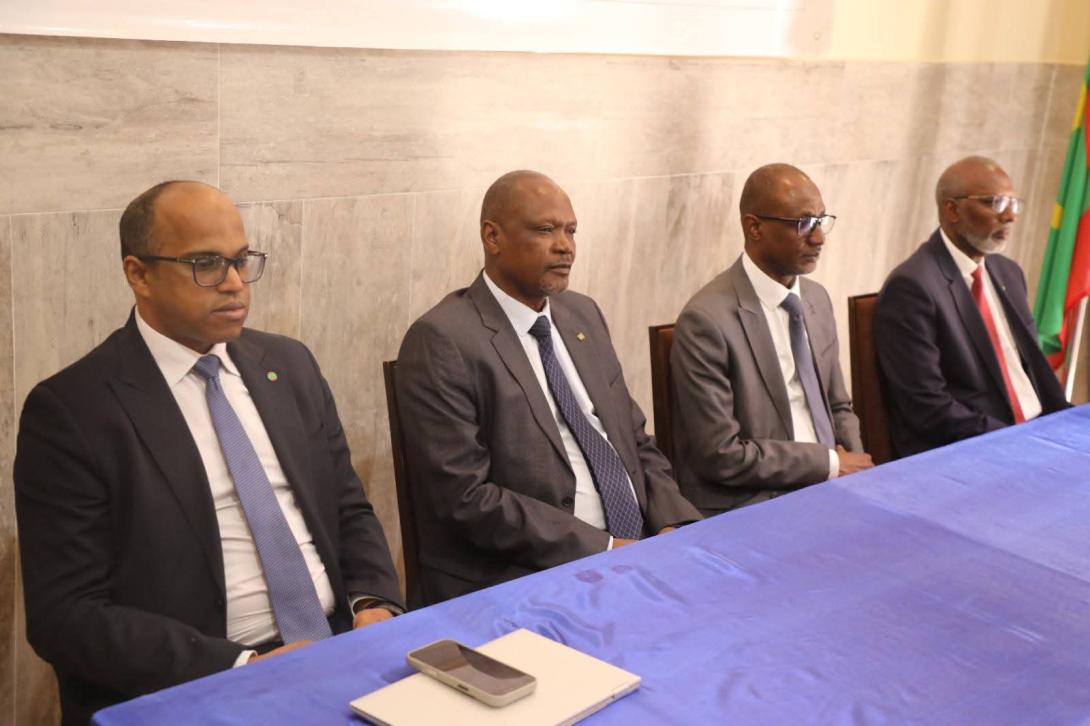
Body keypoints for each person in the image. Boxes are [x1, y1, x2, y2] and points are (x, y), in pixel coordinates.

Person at [14, 181, 402, 725]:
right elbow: (66, 616)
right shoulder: (74, 410)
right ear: (139, 274)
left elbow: (347, 507)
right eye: (206, 264)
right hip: (205, 681)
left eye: (241, 261)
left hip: (339, 647)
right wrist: (241, 667)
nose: (235, 283)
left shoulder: (288, 365)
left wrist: (374, 604)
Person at [395, 170, 701, 606]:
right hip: (526, 576)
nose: (565, 246)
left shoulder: (582, 315)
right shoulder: (443, 339)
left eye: (571, 231)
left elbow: (633, 440)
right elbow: (465, 497)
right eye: (545, 230)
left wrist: (673, 526)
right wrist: (606, 550)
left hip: (638, 552)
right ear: (492, 237)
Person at [670, 163, 871, 516]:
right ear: (755, 227)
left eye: (821, 221)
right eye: (803, 223)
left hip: (835, 485)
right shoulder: (706, 321)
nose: (819, 238)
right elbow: (721, 454)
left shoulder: (816, 299)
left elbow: (839, 405)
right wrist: (828, 464)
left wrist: (853, 466)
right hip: (757, 501)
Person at [874, 156, 1068, 457]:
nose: (1010, 216)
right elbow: (926, 408)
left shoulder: (1008, 272)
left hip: (1037, 432)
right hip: (974, 448)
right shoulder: (912, 287)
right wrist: (1017, 440)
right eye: (995, 203)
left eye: (1013, 204)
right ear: (952, 210)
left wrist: (1068, 425)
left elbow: (1034, 369)